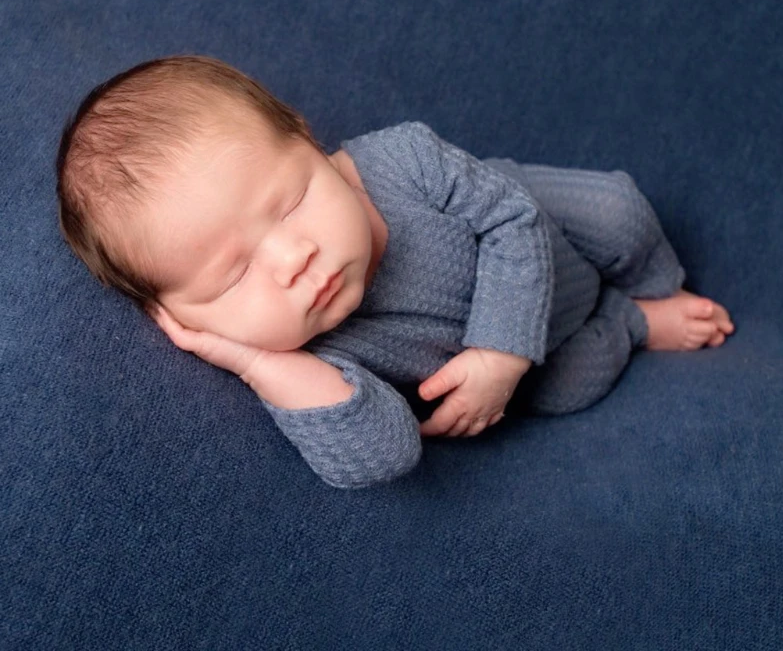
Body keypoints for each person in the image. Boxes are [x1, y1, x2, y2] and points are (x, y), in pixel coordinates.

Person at [56, 55, 735, 488]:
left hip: (545, 228)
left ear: (308, 141)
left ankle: (654, 284)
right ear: (183, 320)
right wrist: (255, 362)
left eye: (290, 205)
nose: (293, 261)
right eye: (232, 278)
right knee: (563, 390)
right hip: (545, 357)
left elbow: (512, 219)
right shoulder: (314, 356)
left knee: (618, 212)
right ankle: (633, 321)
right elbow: (384, 454)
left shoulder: (400, 161)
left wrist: (499, 353)